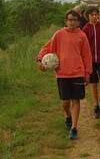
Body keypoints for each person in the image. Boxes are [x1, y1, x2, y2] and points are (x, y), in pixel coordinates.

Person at [36, 9, 93, 140]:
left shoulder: (82, 36)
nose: (72, 22)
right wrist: (40, 59)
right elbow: (47, 48)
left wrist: (88, 72)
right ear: (66, 21)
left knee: (76, 100)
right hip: (62, 74)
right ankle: (67, 115)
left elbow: (87, 55)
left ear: (78, 21)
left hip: (77, 73)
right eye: (70, 20)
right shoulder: (59, 34)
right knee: (65, 102)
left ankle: (74, 127)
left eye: (74, 20)